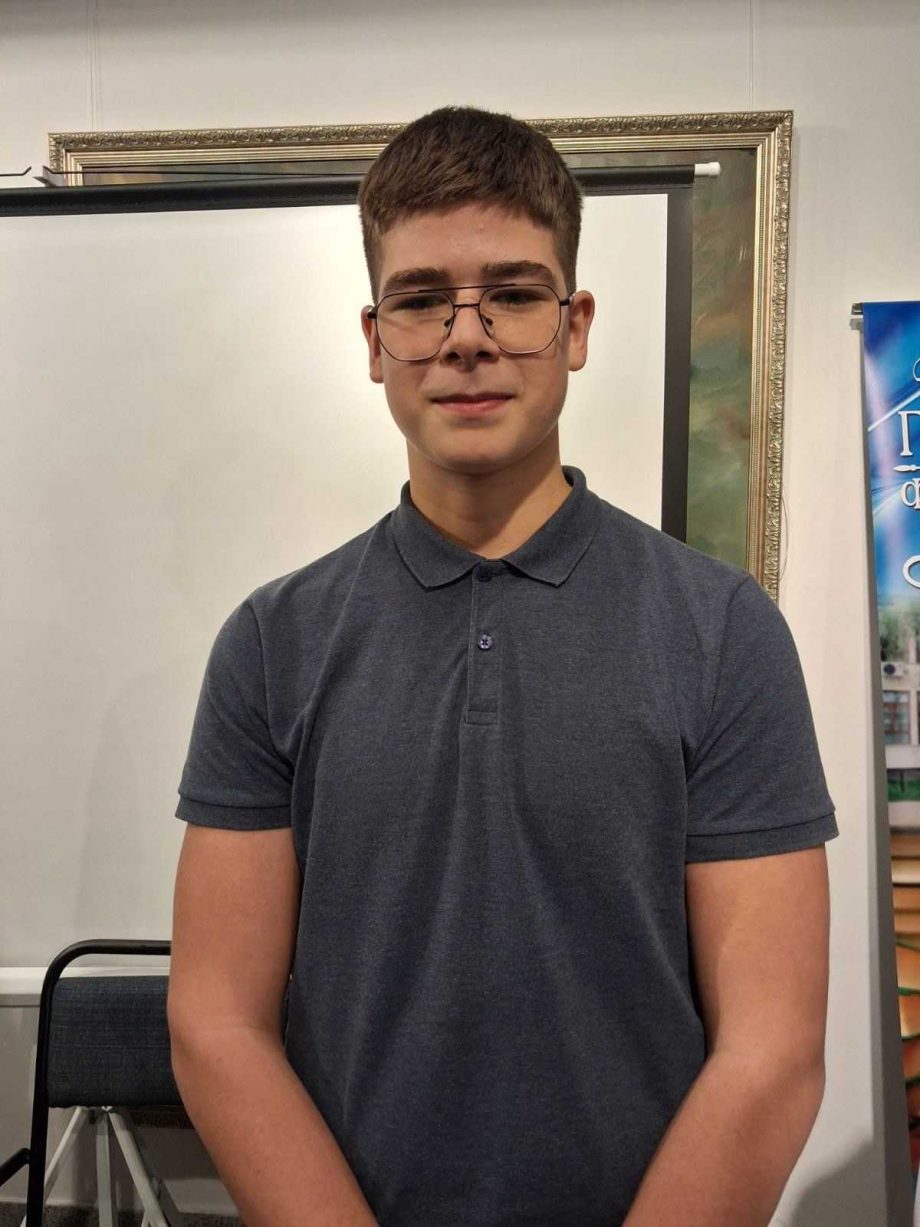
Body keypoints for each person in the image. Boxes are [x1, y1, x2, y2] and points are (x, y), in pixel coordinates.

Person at [167, 104, 839, 1227]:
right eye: (421, 299)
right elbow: (215, 1024)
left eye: (514, 295)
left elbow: (771, 1049)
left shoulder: (722, 631)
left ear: (575, 326)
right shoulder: (273, 643)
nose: (465, 337)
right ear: (374, 339)